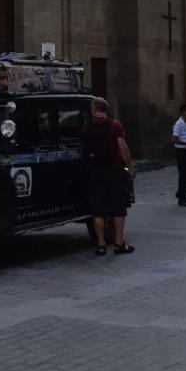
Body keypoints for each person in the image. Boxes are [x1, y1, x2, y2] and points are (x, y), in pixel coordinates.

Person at [83, 97, 135, 255]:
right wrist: (129, 168)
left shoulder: (87, 126)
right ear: (105, 109)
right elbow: (122, 147)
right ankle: (119, 243)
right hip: (114, 170)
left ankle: (100, 244)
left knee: (98, 210)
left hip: (95, 171)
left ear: (94, 109)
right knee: (118, 208)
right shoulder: (114, 125)